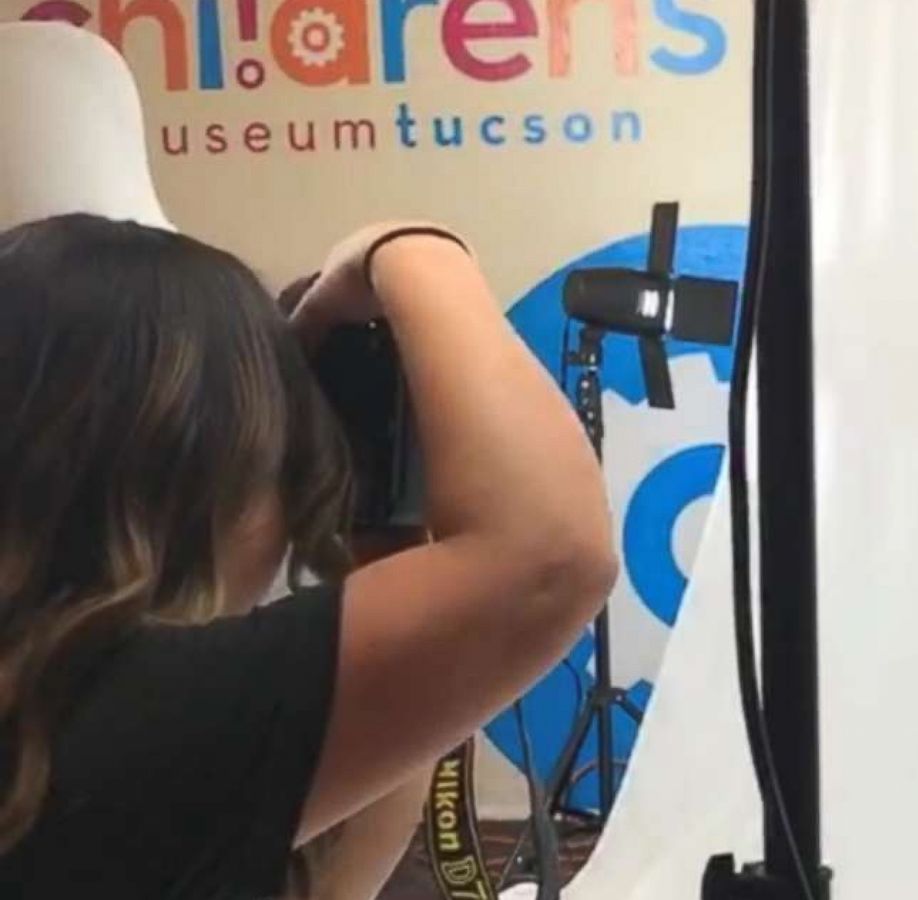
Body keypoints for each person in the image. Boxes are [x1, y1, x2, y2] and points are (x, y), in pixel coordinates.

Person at [0, 213, 617, 897]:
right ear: (206, 477)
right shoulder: (132, 712)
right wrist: (412, 248)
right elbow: (548, 556)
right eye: (283, 470)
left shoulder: (42, 714)